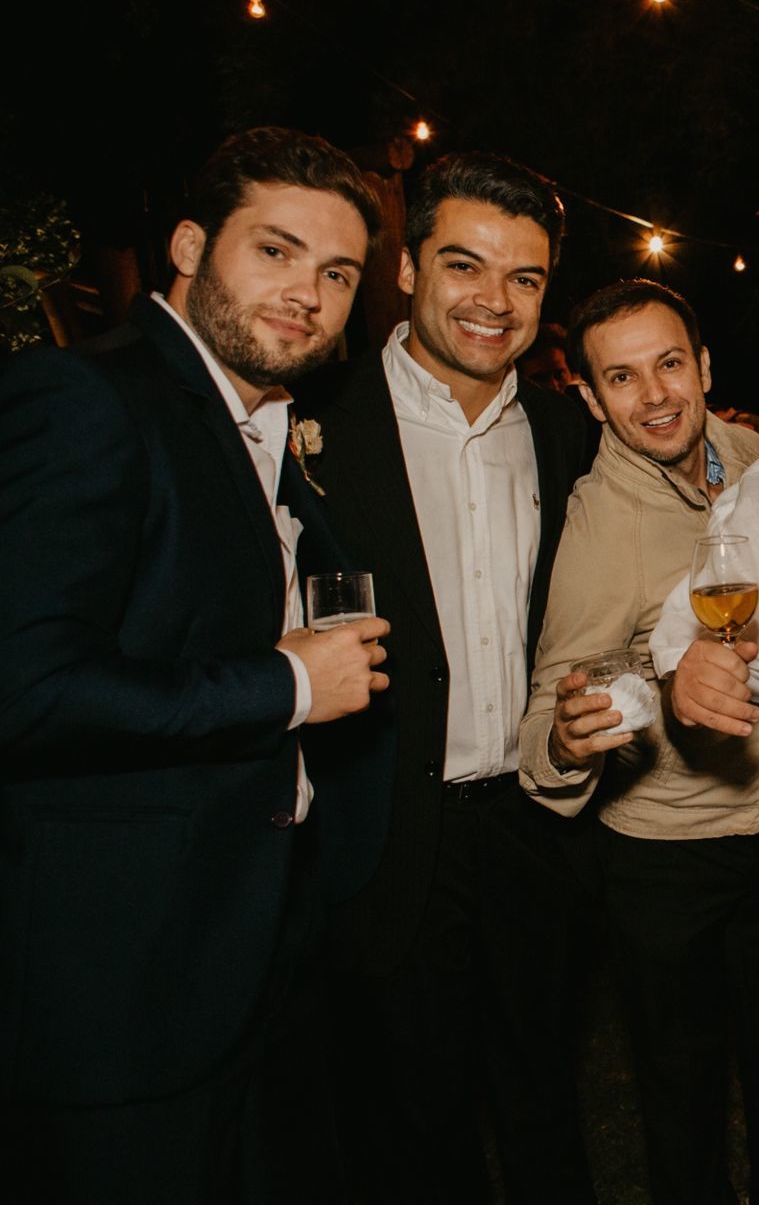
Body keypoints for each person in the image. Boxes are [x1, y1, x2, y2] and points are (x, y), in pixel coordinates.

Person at [0, 126, 391, 1201]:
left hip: (259, 952)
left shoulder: (265, 428)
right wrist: (293, 683)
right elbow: (25, 687)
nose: (306, 292)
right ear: (187, 243)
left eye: (337, 273)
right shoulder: (89, 397)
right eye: (275, 250)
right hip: (121, 991)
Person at [294, 151, 601, 1202]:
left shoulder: (566, 435)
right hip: (382, 826)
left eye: (524, 278)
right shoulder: (312, 422)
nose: (494, 300)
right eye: (465, 265)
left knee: (546, 1100)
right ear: (411, 267)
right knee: (409, 1127)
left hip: (535, 827)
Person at [518, 278, 759, 1204]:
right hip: (667, 866)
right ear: (589, 395)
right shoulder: (598, 526)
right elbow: (548, 713)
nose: (653, 396)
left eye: (667, 365)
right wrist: (574, 740)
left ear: (703, 367)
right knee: (684, 1106)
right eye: (622, 378)